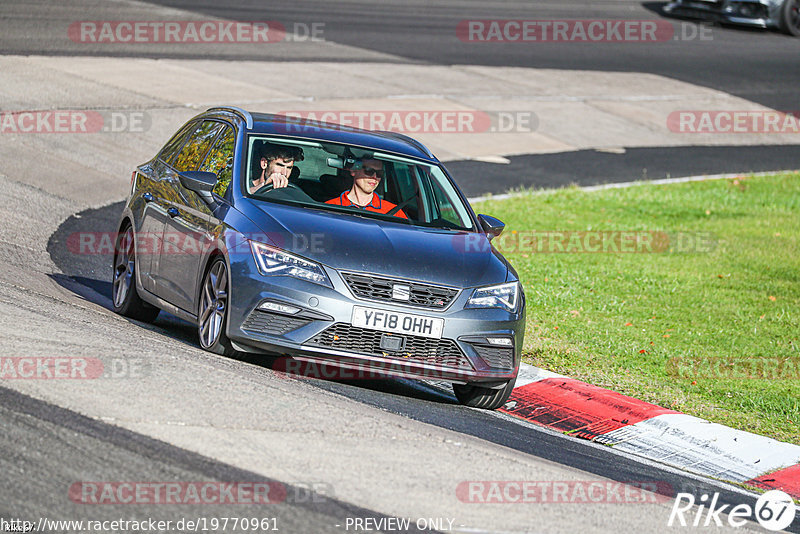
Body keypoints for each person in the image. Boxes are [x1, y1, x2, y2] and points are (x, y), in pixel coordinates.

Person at [325, 158, 407, 218]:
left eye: (379, 173)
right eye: (369, 171)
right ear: (353, 171)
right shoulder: (329, 208)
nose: (375, 177)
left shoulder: (395, 212)